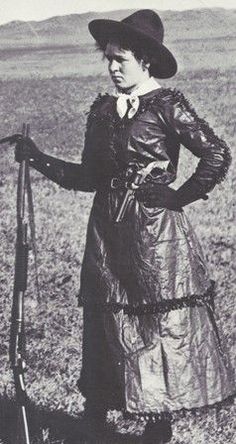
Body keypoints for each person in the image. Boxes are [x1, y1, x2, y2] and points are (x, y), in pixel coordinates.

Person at [15, 9, 235, 444]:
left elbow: (216, 155)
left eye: (122, 60)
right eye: (109, 59)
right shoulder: (101, 111)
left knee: (156, 323)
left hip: (157, 235)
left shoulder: (167, 105)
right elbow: (88, 177)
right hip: (107, 233)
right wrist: (37, 157)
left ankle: (158, 425)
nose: (113, 68)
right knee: (106, 318)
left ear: (146, 61)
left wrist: (176, 196)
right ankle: (96, 417)